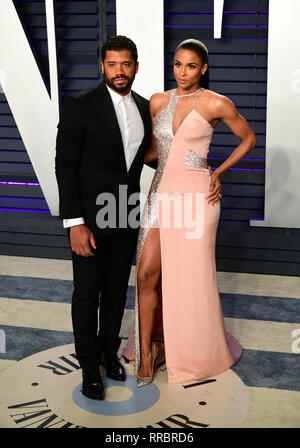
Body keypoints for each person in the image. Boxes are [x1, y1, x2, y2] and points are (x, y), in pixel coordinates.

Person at [123, 38, 256, 386]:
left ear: (204, 69)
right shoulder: (157, 101)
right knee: (147, 274)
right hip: (161, 195)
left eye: (191, 66)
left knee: (190, 280)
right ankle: (148, 352)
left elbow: (248, 139)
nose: (183, 72)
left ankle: (189, 349)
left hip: (198, 198)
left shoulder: (216, 102)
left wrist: (217, 172)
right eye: (178, 65)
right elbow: (154, 152)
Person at [55, 35, 153, 400]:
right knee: (87, 294)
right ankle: (88, 368)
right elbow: (65, 165)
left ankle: (110, 353)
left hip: (126, 212)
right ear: (103, 67)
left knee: (115, 292)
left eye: (126, 64)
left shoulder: (145, 108)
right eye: (112, 64)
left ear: (136, 66)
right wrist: (74, 223)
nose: (119, 71)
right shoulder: (80, 105)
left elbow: (147, 158)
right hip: (90, 220)